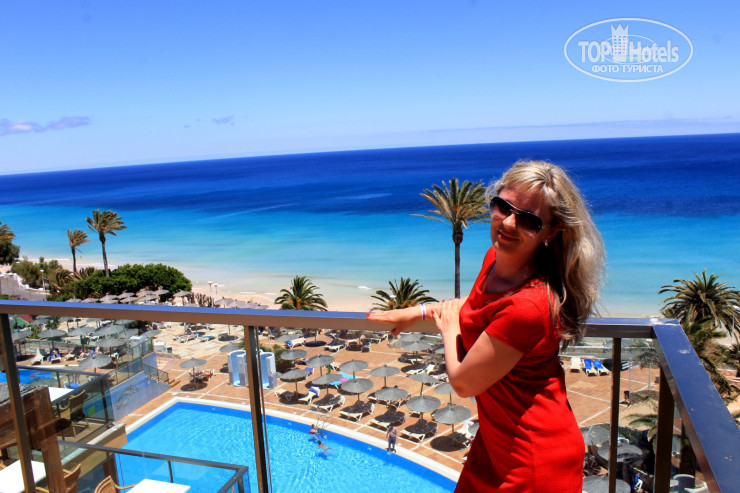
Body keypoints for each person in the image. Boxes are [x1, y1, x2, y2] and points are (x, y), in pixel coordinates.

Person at [369, 160, 605, 492]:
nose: (508, 222)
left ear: (550, 232)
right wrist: (420, 311)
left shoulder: (530, 305)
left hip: (533, 458)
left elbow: (464, 383)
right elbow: (478, 311)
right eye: (503, 207)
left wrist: (448, 330)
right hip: (496, 444)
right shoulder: (494, 259)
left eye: (528, 220)